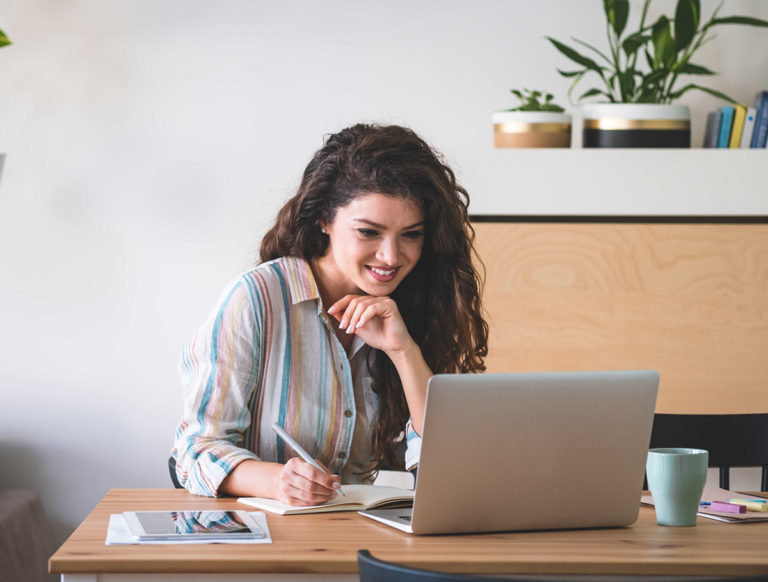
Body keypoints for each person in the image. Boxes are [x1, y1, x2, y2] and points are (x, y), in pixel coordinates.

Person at [171, 123, 488, 505]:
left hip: (356, 532)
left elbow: (445, 464)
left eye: (411, 234)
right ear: (324, 219)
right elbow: (196, 450)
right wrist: (278, 482)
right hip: (261, 538)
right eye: (369, 232)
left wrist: (404, 352)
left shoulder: (417, 305)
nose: (391, 256)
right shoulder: (257, 298)